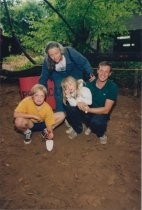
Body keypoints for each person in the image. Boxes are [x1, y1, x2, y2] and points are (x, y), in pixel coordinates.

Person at [39, 41, 95, 124]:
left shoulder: (70, 51)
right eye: (51, 55)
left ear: (61, 50)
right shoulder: (47, 61)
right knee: (58, 90)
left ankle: (82, 114)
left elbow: (84, 62)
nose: (54, 57)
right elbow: (43, 76)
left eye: (56, 53)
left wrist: (90, 73)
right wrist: (41, 90)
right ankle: (61, 114)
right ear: (48, 55)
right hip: (58, 74)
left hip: (74, 71)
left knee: (78, 89)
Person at [64, 61, 118, 143]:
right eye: (101, 70)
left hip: (100, 113)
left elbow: (106, 109)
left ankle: (101, 133)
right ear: (97, 71)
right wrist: (74, 98)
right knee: (69, 107)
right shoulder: (89, 84)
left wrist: (88, 109)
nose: (103, 74)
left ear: (110, 74)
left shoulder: (112, 87)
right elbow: (77, 92)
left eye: (106, 71)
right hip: (86, 111)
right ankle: (78, 128)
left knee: (97, 122)